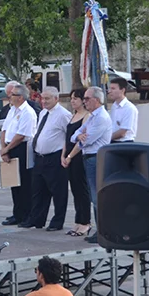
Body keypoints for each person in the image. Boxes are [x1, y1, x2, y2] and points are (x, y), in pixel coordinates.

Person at [63, 86, 112, 244]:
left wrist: (80, 137)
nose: (84, 102)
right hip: (88, 158)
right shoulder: (91, 117)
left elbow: (88, 139)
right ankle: (101, 229)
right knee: (94, 196)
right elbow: (74, 136)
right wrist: (79, 136)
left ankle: (103, 230)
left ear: (96, 100)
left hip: (96, 157)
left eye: (87, 99)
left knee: (97, 196)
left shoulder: (100, 117)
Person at [24, 87, 73, 230]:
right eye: (42, 98)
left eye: (47, 99)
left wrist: (65, 155)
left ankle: (57, 221)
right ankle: (37, 219)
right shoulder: (43, 113)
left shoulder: (64, 115)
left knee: (58, 191)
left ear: (56, 99)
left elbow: (68, 136)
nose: (43, 101)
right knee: (39, 190)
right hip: (40, 157)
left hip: (55, 157)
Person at [0, 85, 37, 226]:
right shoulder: (12, 110)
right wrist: (4, 148)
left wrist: (7, 148)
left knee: (25, 184)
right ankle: (18, 213)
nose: (10, 97)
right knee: (13, 183)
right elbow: (4, 129)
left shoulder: (28, 112)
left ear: (21, 97)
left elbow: (21, 135)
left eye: (13, 94)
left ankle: (27, 215)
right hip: (10, 147)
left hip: (21, 148)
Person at [62, 89, 92, 238]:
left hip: (78, 156)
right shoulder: (72, 116)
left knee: (82, 190)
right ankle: (78, 220)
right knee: (74, 189)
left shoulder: (86, 117)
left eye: (76, 98)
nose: (73, 101)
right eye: (71, 98)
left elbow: (81, 141)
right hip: (68, 156)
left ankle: (85, 222)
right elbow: (67, 138)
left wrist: (70, 156)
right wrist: (64, 155)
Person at [108, 77, 138, 142]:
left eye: (113, 88)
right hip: (113, 141)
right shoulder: (114, 106)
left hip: (125, 143)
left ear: (122, 90)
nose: (109, 91)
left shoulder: (129, 108)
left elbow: (122, 133)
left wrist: (106, 138)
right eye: (110, 88)